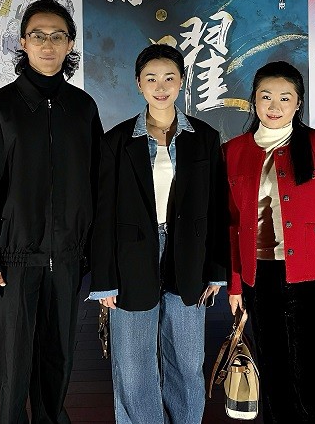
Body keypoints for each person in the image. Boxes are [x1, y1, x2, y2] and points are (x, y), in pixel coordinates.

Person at [0, 0, 103, 424]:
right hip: (14, 260)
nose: (47, 44)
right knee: (16, 365)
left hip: (68, 257)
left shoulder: (82, 109)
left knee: (59, 360)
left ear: (70, 44)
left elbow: (97, 183)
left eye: (58, 36)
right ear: (23, 42)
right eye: (38, 35)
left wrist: (93, 252)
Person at [89, 44, 228, 424]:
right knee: (133, 365)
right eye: (151, 78)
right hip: (131, 259)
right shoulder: (117, 141)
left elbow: (217, 207)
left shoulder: (204, 137)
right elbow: (103, 214)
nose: (161, 86)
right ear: (138, 84)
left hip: (190, 258)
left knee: (187, 360)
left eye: (169, 77)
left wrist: (217, 271)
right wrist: (104, 281)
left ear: (182, 81)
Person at [224, 60, 315, 424]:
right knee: (274, 373)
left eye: (285, 97)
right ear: (253, 100)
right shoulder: (233, 151)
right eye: (266, 96)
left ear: (298, 103)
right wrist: (235, 284)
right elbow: (231, 226)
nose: (275, 105)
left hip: (312, 278)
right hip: (259, 277)